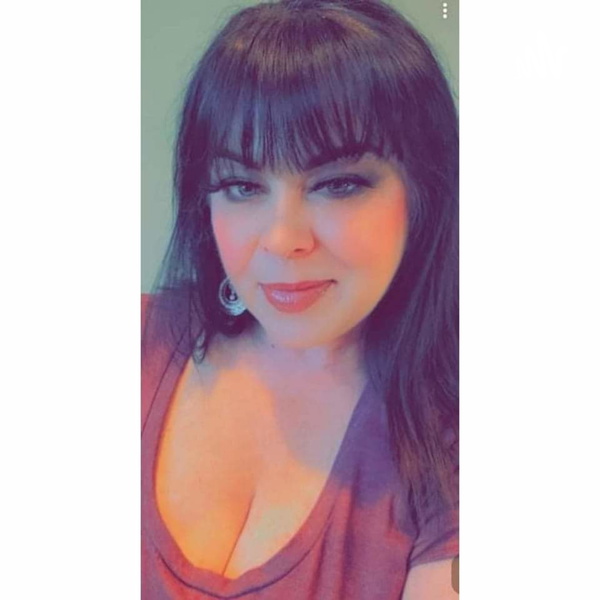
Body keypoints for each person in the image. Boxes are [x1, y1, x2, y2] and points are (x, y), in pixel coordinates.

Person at [142, 0, 458, 598]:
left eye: (338, 184)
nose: (282, 239)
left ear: (425, 192)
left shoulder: (454, 427)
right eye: (242, 186)